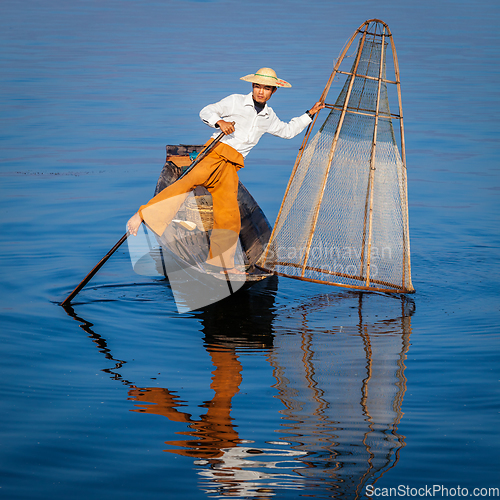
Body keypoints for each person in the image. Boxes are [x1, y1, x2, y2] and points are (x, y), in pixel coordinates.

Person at [127, 67, 324, 274]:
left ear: (274, 91)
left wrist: (309, 114)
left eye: (266, 88)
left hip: (232, 165)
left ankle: (221, 265)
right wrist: (219, 122)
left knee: (229, 213)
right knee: (184, 185)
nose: (260, 91)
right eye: (257, 86)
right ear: (252, 86)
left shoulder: (268, 116)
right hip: (214, 153)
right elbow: (206, 111)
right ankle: (141, 215)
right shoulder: (236, 101)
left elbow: (287, 131)